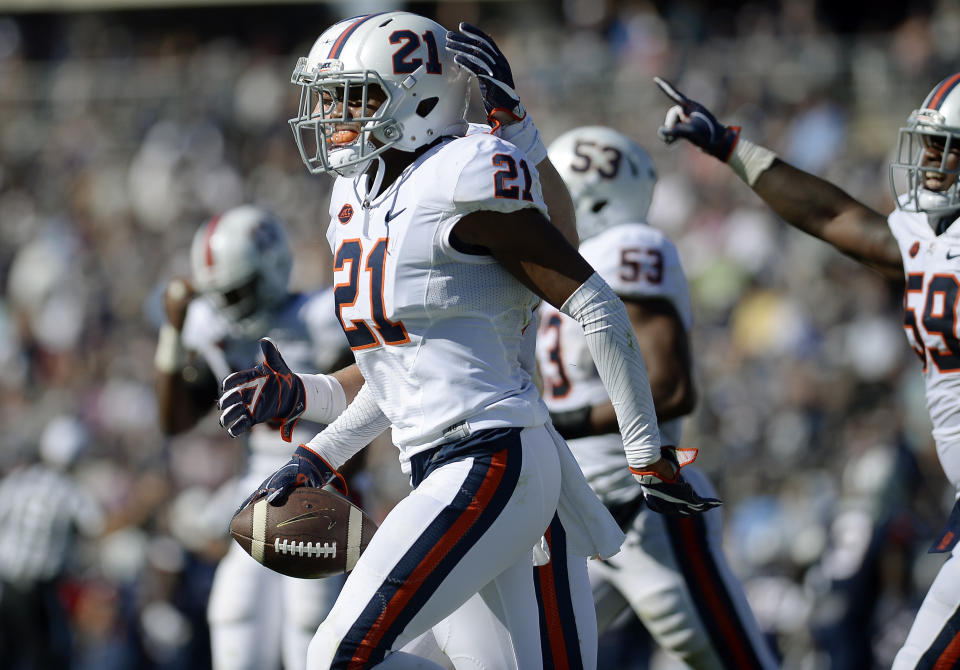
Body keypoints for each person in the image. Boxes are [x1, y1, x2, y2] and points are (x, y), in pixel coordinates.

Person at [218, 13, 719, 670]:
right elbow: (401, 373)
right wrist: (312, 437)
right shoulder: (350, 199)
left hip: (495, 456)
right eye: (330, 95)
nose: (334, 112)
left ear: (422, 96)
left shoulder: (466, 169)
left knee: (336, 658)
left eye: (356, 94)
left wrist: (645, 456)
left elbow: (593, 301)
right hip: (446, 462)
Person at [655, 72, 960, 670]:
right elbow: (833, 216)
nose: (928, 161)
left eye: (944, 146)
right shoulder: (930, 238)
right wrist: (731, 147)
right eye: (926, 144)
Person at [537, 125, 780, 670]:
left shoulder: (627, 248)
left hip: (646, 511)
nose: (541, 202)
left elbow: (669, 387)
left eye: (554, 190)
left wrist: (565, 419)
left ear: (591, 196)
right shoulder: (553, 267)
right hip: (580, 518)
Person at [153, 204, 364, 670]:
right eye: (220, 294)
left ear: (269, 269)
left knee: (312, 619)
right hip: (258, 491)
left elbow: (368, 404)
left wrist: (330, 489)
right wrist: (173, 331)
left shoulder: (320, 318)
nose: (227, 305)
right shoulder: (218, 328)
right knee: (233, 612)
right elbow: (174, 421)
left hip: (324, 483)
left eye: (237, 289)